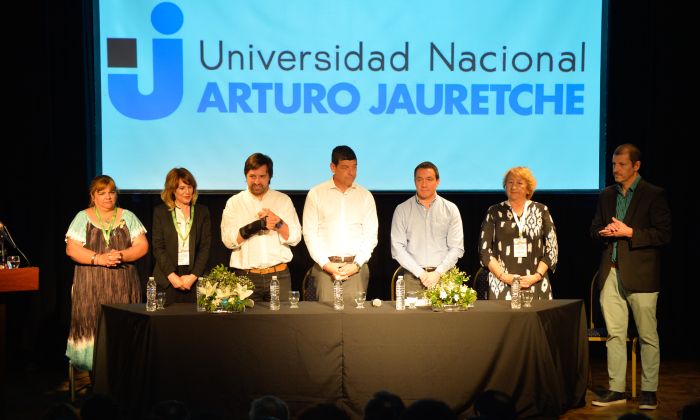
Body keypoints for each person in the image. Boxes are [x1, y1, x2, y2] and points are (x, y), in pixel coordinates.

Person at [590, 144, 671, 410]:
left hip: (642, 275)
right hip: (611, 271)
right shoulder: (605, 195)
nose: (615, 169)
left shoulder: (653, 195)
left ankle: (649, 390)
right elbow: (593, 229)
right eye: (613, 164)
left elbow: (663, 235)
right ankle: (617, 389)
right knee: (615, 334)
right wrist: (605, 231)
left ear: (636, 166)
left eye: (621, 164)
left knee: (648, 335)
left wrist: (629, 232)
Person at [65, 175, 148, 371]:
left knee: (123, 325)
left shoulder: (128, 216)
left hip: (123, 285)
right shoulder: (82, 217)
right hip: (90, 287)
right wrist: (99, 258)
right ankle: (94, 373)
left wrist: (121, 254)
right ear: (93, 196)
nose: (108, 197)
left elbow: (142, 246)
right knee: (92, 323)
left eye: (111, 192)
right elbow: (72, 249)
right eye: (102, 193)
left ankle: (123, 372)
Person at [221, 153, 302, 302]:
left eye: (262, 176)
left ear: (269, 176)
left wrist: (278, 223)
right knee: (247, 325)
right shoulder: (234, 203)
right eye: (252, 176)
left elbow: (296, 237)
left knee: (284, 323)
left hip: (279, 276)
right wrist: (255, 226)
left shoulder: (283, 200)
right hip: (246, 277)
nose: (257, 181)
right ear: (245, 176)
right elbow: (228, 241)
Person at [303, 145, 378, 302]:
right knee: (325, 320)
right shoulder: (316, 194)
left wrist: (356, 265)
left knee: (355, 320)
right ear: (333, 167)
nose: (352, 172)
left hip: (356, 268)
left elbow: (371, 235)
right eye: (345, 167)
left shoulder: (365, 196)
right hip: (326, 269)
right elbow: (310, 234)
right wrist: (326, 264)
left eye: (354, 167)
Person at [478, 167, 558, 300]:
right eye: (510, 182)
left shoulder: (541, 210)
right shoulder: (494, 211)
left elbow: (552, 248)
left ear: (528, 189)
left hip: (535, 282)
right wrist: (503, 276)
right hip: (501, 283)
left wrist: (536, 276)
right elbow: (484, 250)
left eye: (519, 183)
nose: (513, 186)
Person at [391, 162, 464, 293]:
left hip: (444, 277)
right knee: (412, 314)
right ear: (414, 181)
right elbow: (397, 248)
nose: (424, 184)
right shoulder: (402, 210)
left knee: (445, 314)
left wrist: (437, 273)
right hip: (412, 277)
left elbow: (456, 248)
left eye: (429, 179)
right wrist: (421, 273)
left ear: (438, 181)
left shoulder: (450, 209)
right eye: (419, 179)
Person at [152, 168, 211, 304]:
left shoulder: (202, 212)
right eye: (182, 188)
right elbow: (158, 247)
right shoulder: (160, 212)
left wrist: (193, 276)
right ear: (172, 190)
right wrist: (172, 276)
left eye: (190, 187)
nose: (187, 192)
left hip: (194, 278)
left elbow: (205, 247)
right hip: (168, 278)